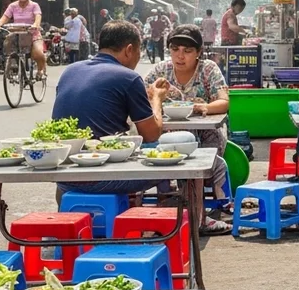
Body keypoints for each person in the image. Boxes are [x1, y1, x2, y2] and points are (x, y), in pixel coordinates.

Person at [53, 20, 168, 200]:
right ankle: (168, 217)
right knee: (169, 150)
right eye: (139, 51)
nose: (138, 57)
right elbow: (151, 134)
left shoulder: (70, 71)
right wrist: (156, 99)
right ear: (129, 50)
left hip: (65, 177)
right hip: (105, 177)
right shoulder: (128, 77)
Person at [142, 25, 232, 234]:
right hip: (169, 134)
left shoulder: (208, 69)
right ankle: (166, 209)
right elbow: (143, 94)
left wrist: (204, 107)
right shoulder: (160, 71)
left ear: (199, 52)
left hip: (207, 133)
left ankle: (198, 215)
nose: (180, 56)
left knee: (199, 156)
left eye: (188, 51)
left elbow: (224, 102)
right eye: (175, 50)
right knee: (155, 151)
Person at [0, 0, 47, 80]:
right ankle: (12, 65)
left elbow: (38, 16)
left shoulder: (34, 5)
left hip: (32, 33)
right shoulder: (12, 6)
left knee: (38, 53)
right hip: (16, 33)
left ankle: (41, 70)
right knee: (7, 44)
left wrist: (35, 25)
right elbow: (5, 17)